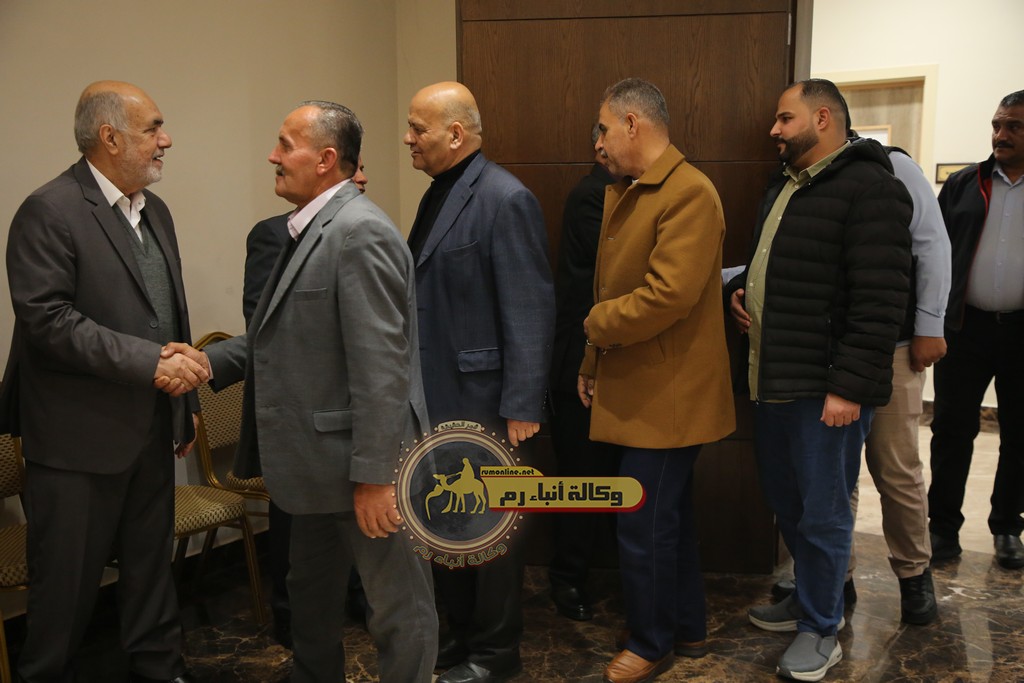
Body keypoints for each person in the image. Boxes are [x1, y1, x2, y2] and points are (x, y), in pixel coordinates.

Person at [184, 101, 437, 682]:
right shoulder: (310, 228)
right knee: (309, 597)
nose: (272, 156)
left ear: (325, 159)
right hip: (317, 468)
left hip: (363, 468)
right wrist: (202, 361)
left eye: (284, 144)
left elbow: (383, 370)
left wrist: (377, 478)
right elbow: (278, 337)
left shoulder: (359, 233)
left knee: (399, 608)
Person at [0, 80, 206, 683]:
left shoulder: (155, 211)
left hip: (150, 429)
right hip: (76, 443)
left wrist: (186, 401)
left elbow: (167, 316)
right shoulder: (49, 210)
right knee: (63, 595)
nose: (166, 140)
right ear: (110, 137)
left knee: (151, 573)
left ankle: (161, 669)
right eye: (153, 129)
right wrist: (151, 363)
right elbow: (48, 321)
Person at [727, 79, 912, 682]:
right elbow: (777, 266)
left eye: (786, 118)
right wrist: (742, 292)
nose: (774, 130)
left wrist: (849, 389)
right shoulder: (784, 184)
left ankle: (822, 629)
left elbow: (881, 302)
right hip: (773, 377)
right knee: (788, 503)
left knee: (824, 513)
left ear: (824, 118)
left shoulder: (872, 188)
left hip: (825, 389)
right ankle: (805, 600)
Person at [578, 77, 735, 683]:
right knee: (668, 518)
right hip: (645, 389)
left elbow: (667, 295)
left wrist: (595, 325)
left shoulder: (688, 192)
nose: (597, 142)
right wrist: (591, 362)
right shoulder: (635, 190)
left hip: (670, 397)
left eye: (603, 128)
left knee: (642, 520)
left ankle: (652, 643)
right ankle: (685, 626)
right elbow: (616, 287)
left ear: (632, 123)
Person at [403, 81, 554, 683]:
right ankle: (460, 635)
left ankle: (495, 654)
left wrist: (523, 405)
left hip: (488, 404)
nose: (408, 138)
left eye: (418, 128)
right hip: (437, 399)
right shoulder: (439, 193)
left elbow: (530, 310)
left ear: (456, 134)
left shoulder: (504, 197)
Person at [773, 132, 952, 625]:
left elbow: (932, 246)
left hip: (892, 347)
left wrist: (930, 326)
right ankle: (836, 580)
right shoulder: (797, 179)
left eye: (788, 119)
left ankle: (914, 575)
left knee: (896, 469)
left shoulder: (893, 167)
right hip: (826, 355)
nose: (778, 132)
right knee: (835, 478)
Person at [239, 157, 369, 646]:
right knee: (295, 527)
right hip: (296, 414)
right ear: (328, 168)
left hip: (347, 412)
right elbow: (263, 327)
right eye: (356, 169)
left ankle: (353, 600)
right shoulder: (273, 235)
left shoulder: (363, 232)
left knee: (348, 523)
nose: (363, 179)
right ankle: (289, 617)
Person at [929, 89, 1024, 571]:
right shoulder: (965, 183)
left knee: (1020, 435)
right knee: (951, 430)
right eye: (997, 125)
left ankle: (1007, 527)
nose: (1001, 135)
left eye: (1014, 127)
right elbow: (932, 252)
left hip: (1022, 334)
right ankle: (942, 528)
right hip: (965, 329)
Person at [547, 124, 619, 622]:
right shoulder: (593, 196)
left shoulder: (624, 195)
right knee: (581, 480)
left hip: (614, 360)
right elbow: (614, 276)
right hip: (580, 361)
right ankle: (567, 579)